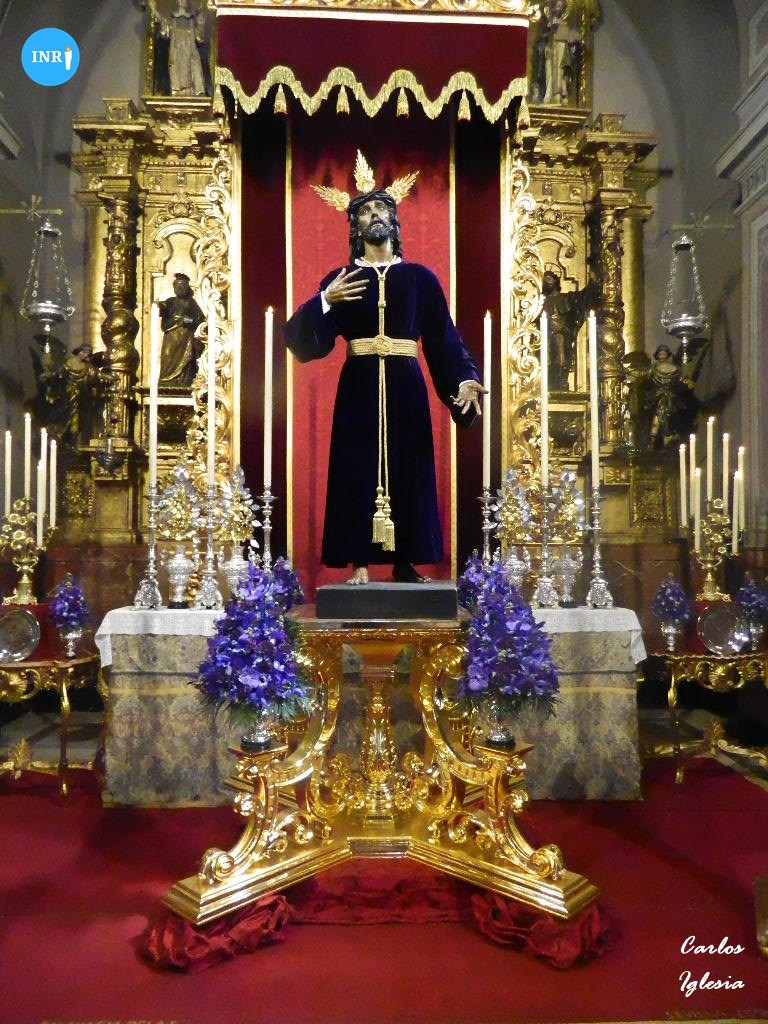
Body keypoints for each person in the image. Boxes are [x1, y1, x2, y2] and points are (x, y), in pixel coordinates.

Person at [285, 155, 485, 585]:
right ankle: (358, 561)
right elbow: (304, 342)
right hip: (358, 387)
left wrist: (465, 378)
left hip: (405, 385)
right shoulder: (341, 279)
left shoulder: (419, 279)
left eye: (381, 209)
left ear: (393, 221)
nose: (374, 215)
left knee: (408, 466)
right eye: (365, 211)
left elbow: (443, 337)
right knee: (356, 466)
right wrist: (324, 302)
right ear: (355, 227)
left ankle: (405, 562)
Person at [541, 268, 599, 390]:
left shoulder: (567, 298)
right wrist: (549, 323)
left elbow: (582, 298)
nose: (547, 282)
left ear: (555, 280)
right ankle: (555, 379)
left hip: (565, 334)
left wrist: (592, 283)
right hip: (546, 337)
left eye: (549, 278)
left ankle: (561, 377)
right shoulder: (541, 302)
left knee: (560, 340)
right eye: (545, 280)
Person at [157, 273, 205, 386]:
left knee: (187, 361)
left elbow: (200, 319)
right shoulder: (171, 301)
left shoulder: (191, 303)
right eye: (178, 286)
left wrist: (189, 321)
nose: (180, 288)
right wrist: (158, 306)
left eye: (183, 286)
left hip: (186, 338)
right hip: (171, 338)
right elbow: (162, 308)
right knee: (167, 356)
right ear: (174, 287)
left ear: (187, 287)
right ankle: (165, 381)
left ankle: (183, 382)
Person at [152, 0, 207, 98]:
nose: (182, 1)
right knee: (175, 71)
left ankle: (195, 91)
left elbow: (199, 39)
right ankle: (176, 91)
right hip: (176, 52)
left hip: (191, 53)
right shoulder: (171, 20)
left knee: (195, 69)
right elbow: (164, 34)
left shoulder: (191, 21)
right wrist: (160, 22)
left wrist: (200, 26)